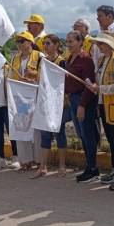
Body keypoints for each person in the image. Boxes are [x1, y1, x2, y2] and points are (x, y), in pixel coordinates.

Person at [88, 32, 114, 191]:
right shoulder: (104, 60)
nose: (100, 46)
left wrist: (100, 88)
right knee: (112, 140)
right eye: (99, 44)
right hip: (105, 104)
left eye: (102, 44)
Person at [64, 30, 100, 183]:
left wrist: (82, 105)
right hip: (73, 99)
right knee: (81, 135)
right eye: (67, 41)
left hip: (83, 100)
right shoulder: (70, 58)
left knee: (88, 135)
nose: (69, 44)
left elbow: (89, 85)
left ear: (80, 42)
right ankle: (89, 166)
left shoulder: (86, 60)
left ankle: (93, 168)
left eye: (71, 41)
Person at [33, 34, 69, 178]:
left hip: (57, 104)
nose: (45, 46)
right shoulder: (41, 61)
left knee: (59, 133)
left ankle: (62, 165)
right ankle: (43, 166)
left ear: (56, 45)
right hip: (44, 102)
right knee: (45, 134)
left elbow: (64, 84)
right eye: (44, 43)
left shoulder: (62, 62)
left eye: (48, 43)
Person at [9, 31, 42, 172]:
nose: (19, 44)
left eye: (22, 41)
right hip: (20, 99)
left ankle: (39, 160)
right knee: (21, 128)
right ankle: (25, 160)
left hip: (35, 97)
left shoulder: (39, 56)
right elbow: (10, 77)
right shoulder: (14, 58)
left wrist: (32, 79)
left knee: (36, 131)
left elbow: (43, 76)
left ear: (30, 42)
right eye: (18, 41)